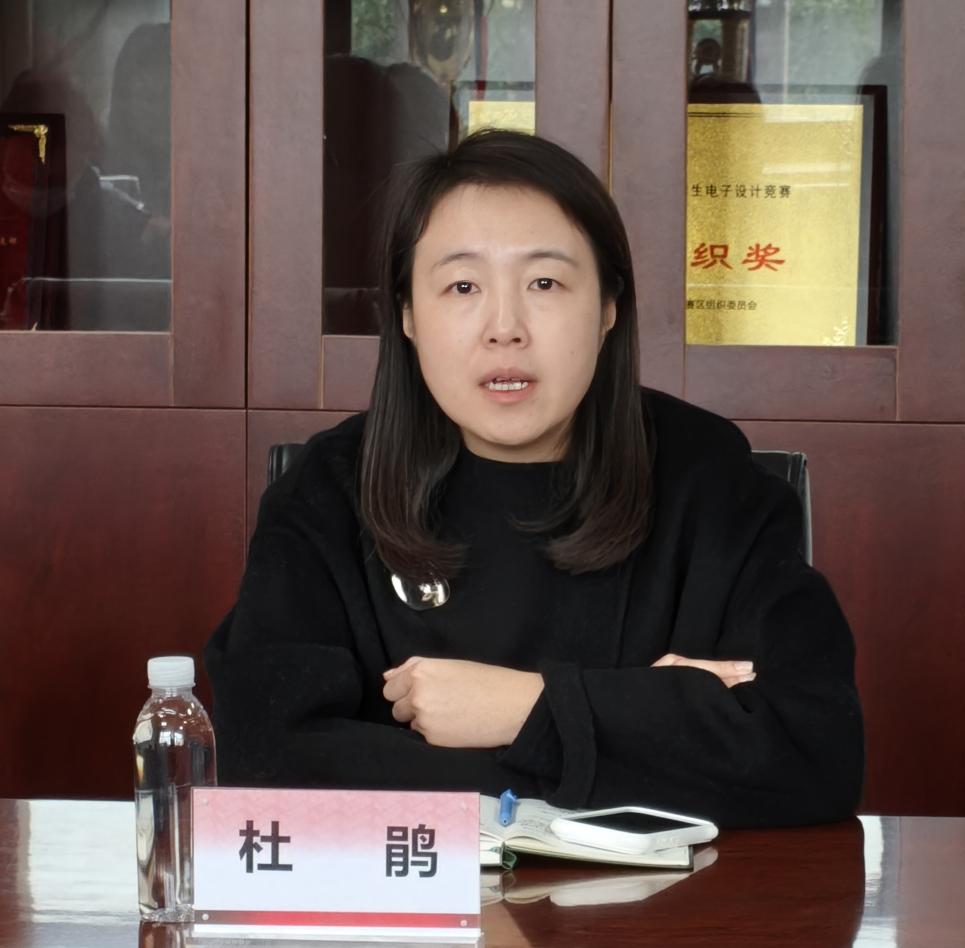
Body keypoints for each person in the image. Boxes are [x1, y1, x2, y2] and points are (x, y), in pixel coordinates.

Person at [205, 130, 863, 827]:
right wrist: (642, 716)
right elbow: (268, 765)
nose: (505, 328)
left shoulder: (708, 479)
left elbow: (813, 753)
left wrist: (527, 707)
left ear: (608, 306)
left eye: (544, 283)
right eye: (462, 286)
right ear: (407, 315)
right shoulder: (330, 489)